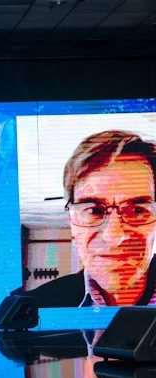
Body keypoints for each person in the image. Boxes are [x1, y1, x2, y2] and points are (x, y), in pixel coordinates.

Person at [12, 129, 156, 307]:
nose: (114, 237)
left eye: (137, 211)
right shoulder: (34, 307)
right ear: (72, 221)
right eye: (94, 211)